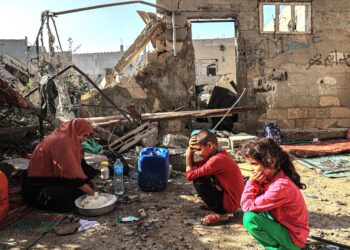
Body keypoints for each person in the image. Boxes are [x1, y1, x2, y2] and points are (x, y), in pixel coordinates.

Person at [240, 138, 309, 250]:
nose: (251, 169)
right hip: (287, 229)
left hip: (294, 239)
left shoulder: (281, 186)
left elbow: (247, 206)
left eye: (254, 164)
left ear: (271, 162)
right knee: (258, 213)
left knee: (250, 217)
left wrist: (251, 183)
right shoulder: (272, 178)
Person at [22, 118, 98, 213]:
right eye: (84, 135)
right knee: (65, 197)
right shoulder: (62, 142)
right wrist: (92, 193)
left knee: (81, 189)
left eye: (86, 136)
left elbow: (79, 165)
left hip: (54, 179)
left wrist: (88, 181)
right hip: (38, 185)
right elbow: (71, 175)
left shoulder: (72, 141)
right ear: (76, 130)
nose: (84, 139)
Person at [185, 130, 244, 226]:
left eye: (199, 150)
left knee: (199, 181)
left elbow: (190, 175)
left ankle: (222, 214)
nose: (198, 154)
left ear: (210, 146)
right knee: (201, 175)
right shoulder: (218, 155)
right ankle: (215, 205)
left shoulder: (217, 160)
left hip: (230, 202)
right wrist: (191, 151)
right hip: (230, 197)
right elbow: (194, 167)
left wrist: (188, 154)